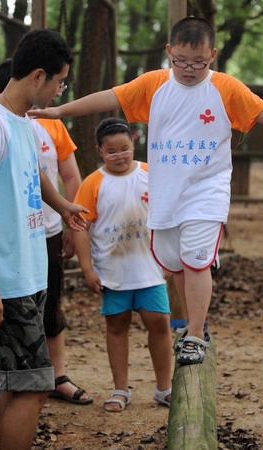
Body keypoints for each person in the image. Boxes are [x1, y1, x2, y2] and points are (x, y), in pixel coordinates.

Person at [28, 17, 263, 366]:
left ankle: (195, 334)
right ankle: (198, 327)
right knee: (178, 264)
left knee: (196, 260)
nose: (189, 69)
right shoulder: (155, 84)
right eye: (181, 61)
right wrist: (58, 111)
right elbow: (110, 97)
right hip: (166, 193)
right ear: (169, 52)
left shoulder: (226, 88)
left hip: (206, 192)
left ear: (212, 55)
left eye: (199, 62)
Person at [0, 29, 88, 450]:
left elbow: (33, 172)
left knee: (18, 385)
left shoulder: (21, 120)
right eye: (60, 81)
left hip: (30, 272)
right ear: (39, 76)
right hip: (4, 280)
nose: (61, 90)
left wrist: (61, 204)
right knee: (36, 385)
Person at [73, 117, 172, 411]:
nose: (119, 156)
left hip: (151, 268)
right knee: (116, 327)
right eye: (111, 151)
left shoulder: (150, 173)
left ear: (134, 142)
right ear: (100, 151)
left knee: (160, 323)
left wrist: (169, 255)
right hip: (111, 271)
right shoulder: (93, 183)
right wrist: (87, 269)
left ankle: (164, 388)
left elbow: (168, 215)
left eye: (125, 148)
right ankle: (120, 390)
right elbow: (79, 227)